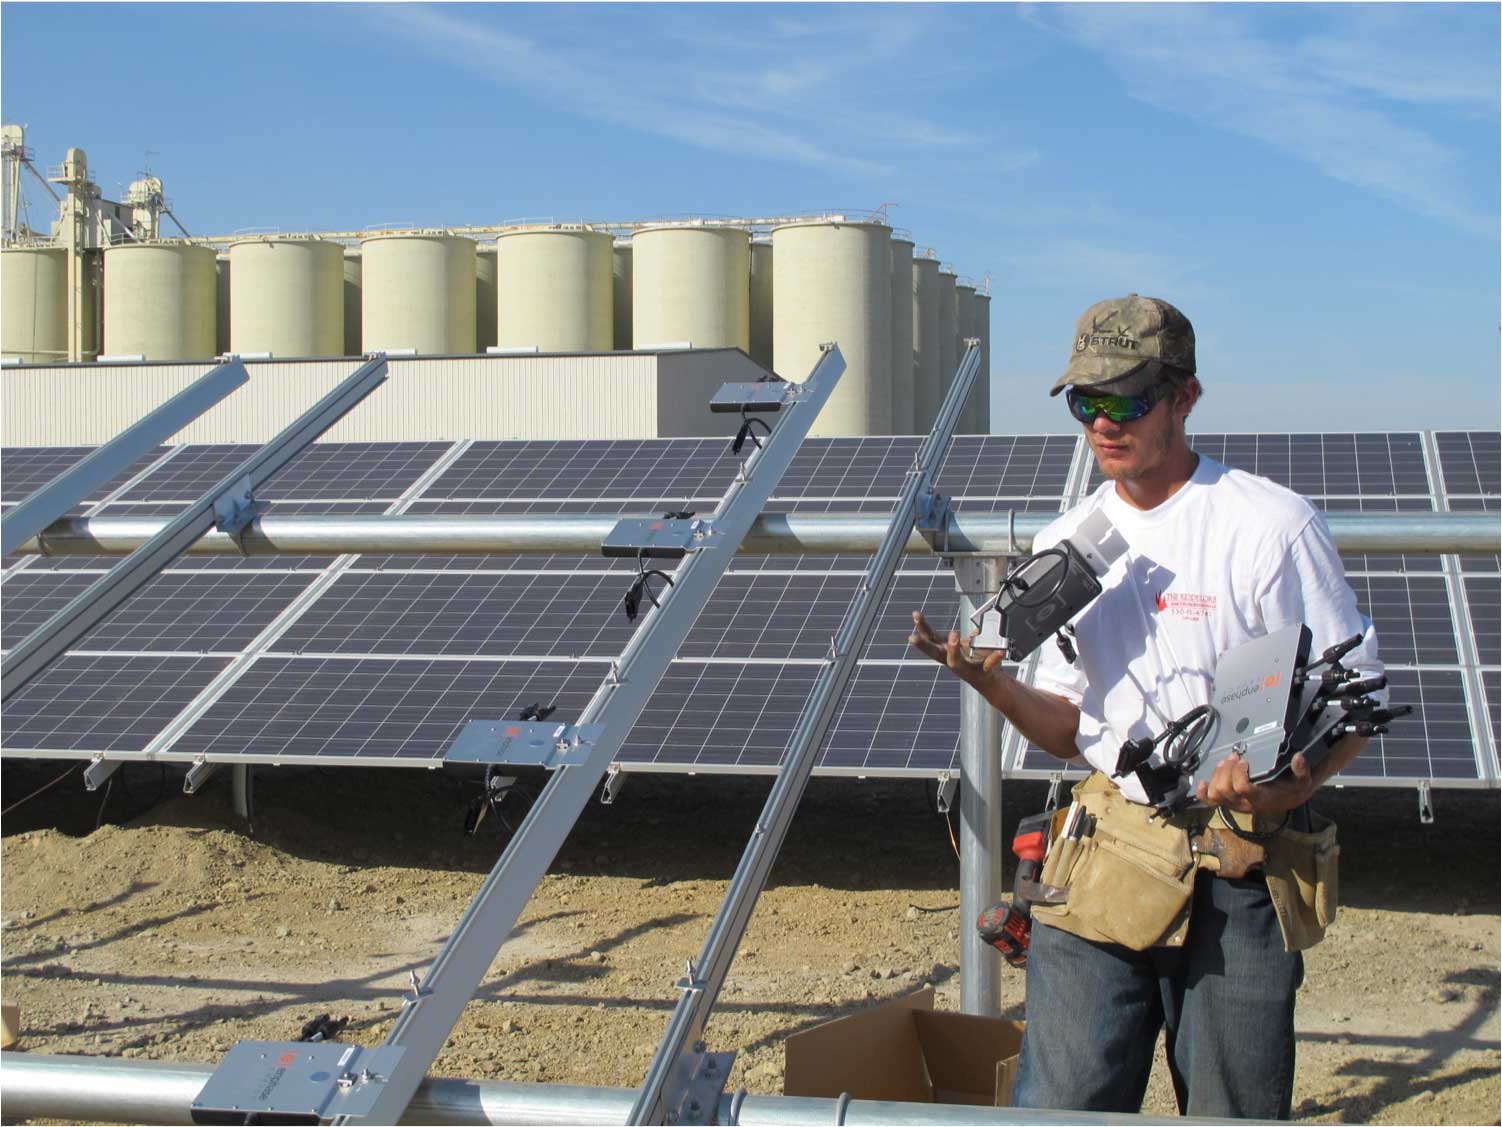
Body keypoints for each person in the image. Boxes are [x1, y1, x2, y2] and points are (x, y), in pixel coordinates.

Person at [908, 294, 1382, 1119]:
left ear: (1184, 397)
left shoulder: (1268, 527)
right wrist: (995, 685)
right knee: (1064, 1098)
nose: (1103, 424)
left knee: (1233, 1104)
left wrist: (1283, 790)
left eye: (1126, 400)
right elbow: (1068, 727)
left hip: (1241, 864)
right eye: (1086, 404)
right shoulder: (1069, 543)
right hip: (1106, 854)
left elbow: (1354, 707)